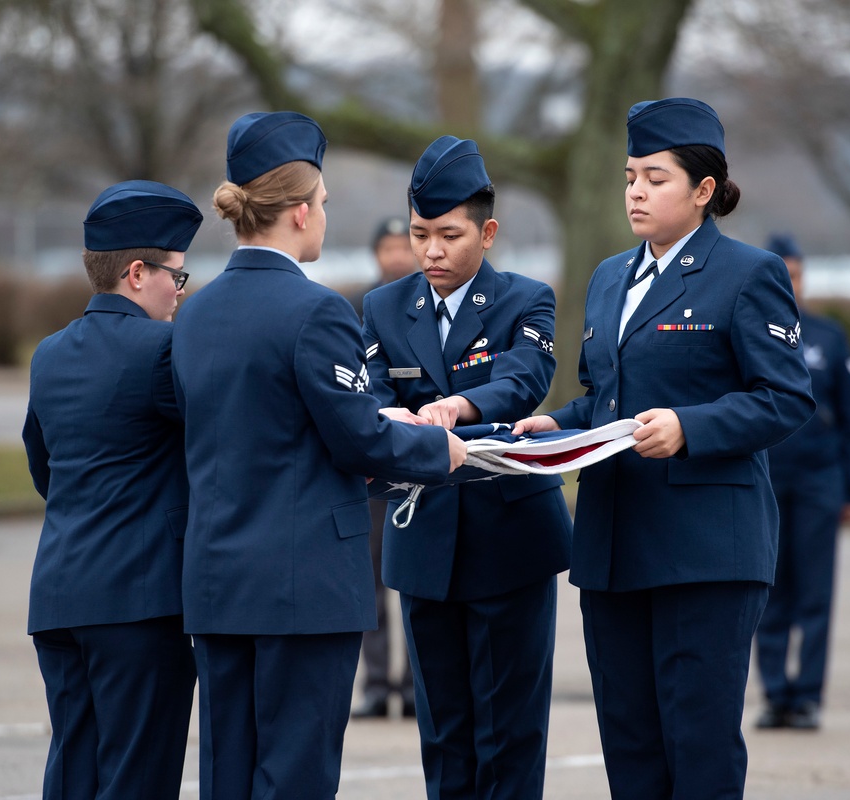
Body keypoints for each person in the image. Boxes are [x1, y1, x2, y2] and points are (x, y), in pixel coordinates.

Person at [513, 98, 815, 799]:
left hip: (705, 550)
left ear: (703, 190)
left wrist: (691, 426)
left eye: (655, 177)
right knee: (631, 746)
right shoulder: (609, 277)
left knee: (698, 747)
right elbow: (607, 397)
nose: (636, 193)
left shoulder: (748, 274)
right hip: (616, 546)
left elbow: (786, 397)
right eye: (629, 177)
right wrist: (558, 427)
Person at [170, 111, 467, 800]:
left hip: (218, 583)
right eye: (326, 204)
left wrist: (365, 417)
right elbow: (358, 439)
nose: (326, 218)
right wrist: (436, 446)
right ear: (300, 213)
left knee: (228, 777)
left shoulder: (196, 314)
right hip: (302, 589)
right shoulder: (317, 311)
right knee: (295, 777)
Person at [361, 135, 573, 800]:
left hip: (509, 541)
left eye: (448, 235)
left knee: (509, 735)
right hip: (423, 539)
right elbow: (369, 399)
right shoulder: (385, 308)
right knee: (445, 733)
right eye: (421, 234)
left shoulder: (525, 299)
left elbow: (524, 377)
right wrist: (387, 418)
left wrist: (457, 405)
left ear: (487, 232)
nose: (430, 251)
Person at [22, 180, 202, 799]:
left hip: (60, 592)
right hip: (139, 602)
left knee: (73, 772)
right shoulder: (162, 350)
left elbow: (44, 468)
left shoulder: (48, 354)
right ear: (135, 272)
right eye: (176, 277)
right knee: (137, 777)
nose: (182, 292)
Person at [754, 233, 850, 731]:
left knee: (815, 593)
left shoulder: (827, 336)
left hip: (820, 481)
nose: (790, 283)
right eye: (782, 273)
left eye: (796, 274)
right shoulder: (751, 331)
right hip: (769, 479)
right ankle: (776, 695)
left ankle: (808, 698)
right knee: (770, 592)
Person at [349, 217, 419, 719]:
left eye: (404, 246)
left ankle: (416, 687)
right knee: (369, 579)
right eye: (388, 246)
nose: (397, 256)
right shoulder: (356, 308)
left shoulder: (427, 303)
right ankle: (376, 685)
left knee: (416, 578)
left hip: (419, 457)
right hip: (374, 464)